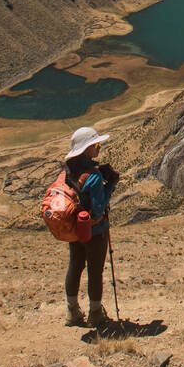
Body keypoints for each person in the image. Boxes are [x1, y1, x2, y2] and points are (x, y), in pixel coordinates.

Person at [62, 126, 119, 326]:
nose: (98, 148)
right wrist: (110, 185)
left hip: (74, 230)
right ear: (87, 149)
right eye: (96, 145)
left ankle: (72, 312)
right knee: (95, 271)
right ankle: (95, 313)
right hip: (94, 231)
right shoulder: (93, 176)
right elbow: (97, 209)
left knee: (74, 266)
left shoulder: (68, 169)